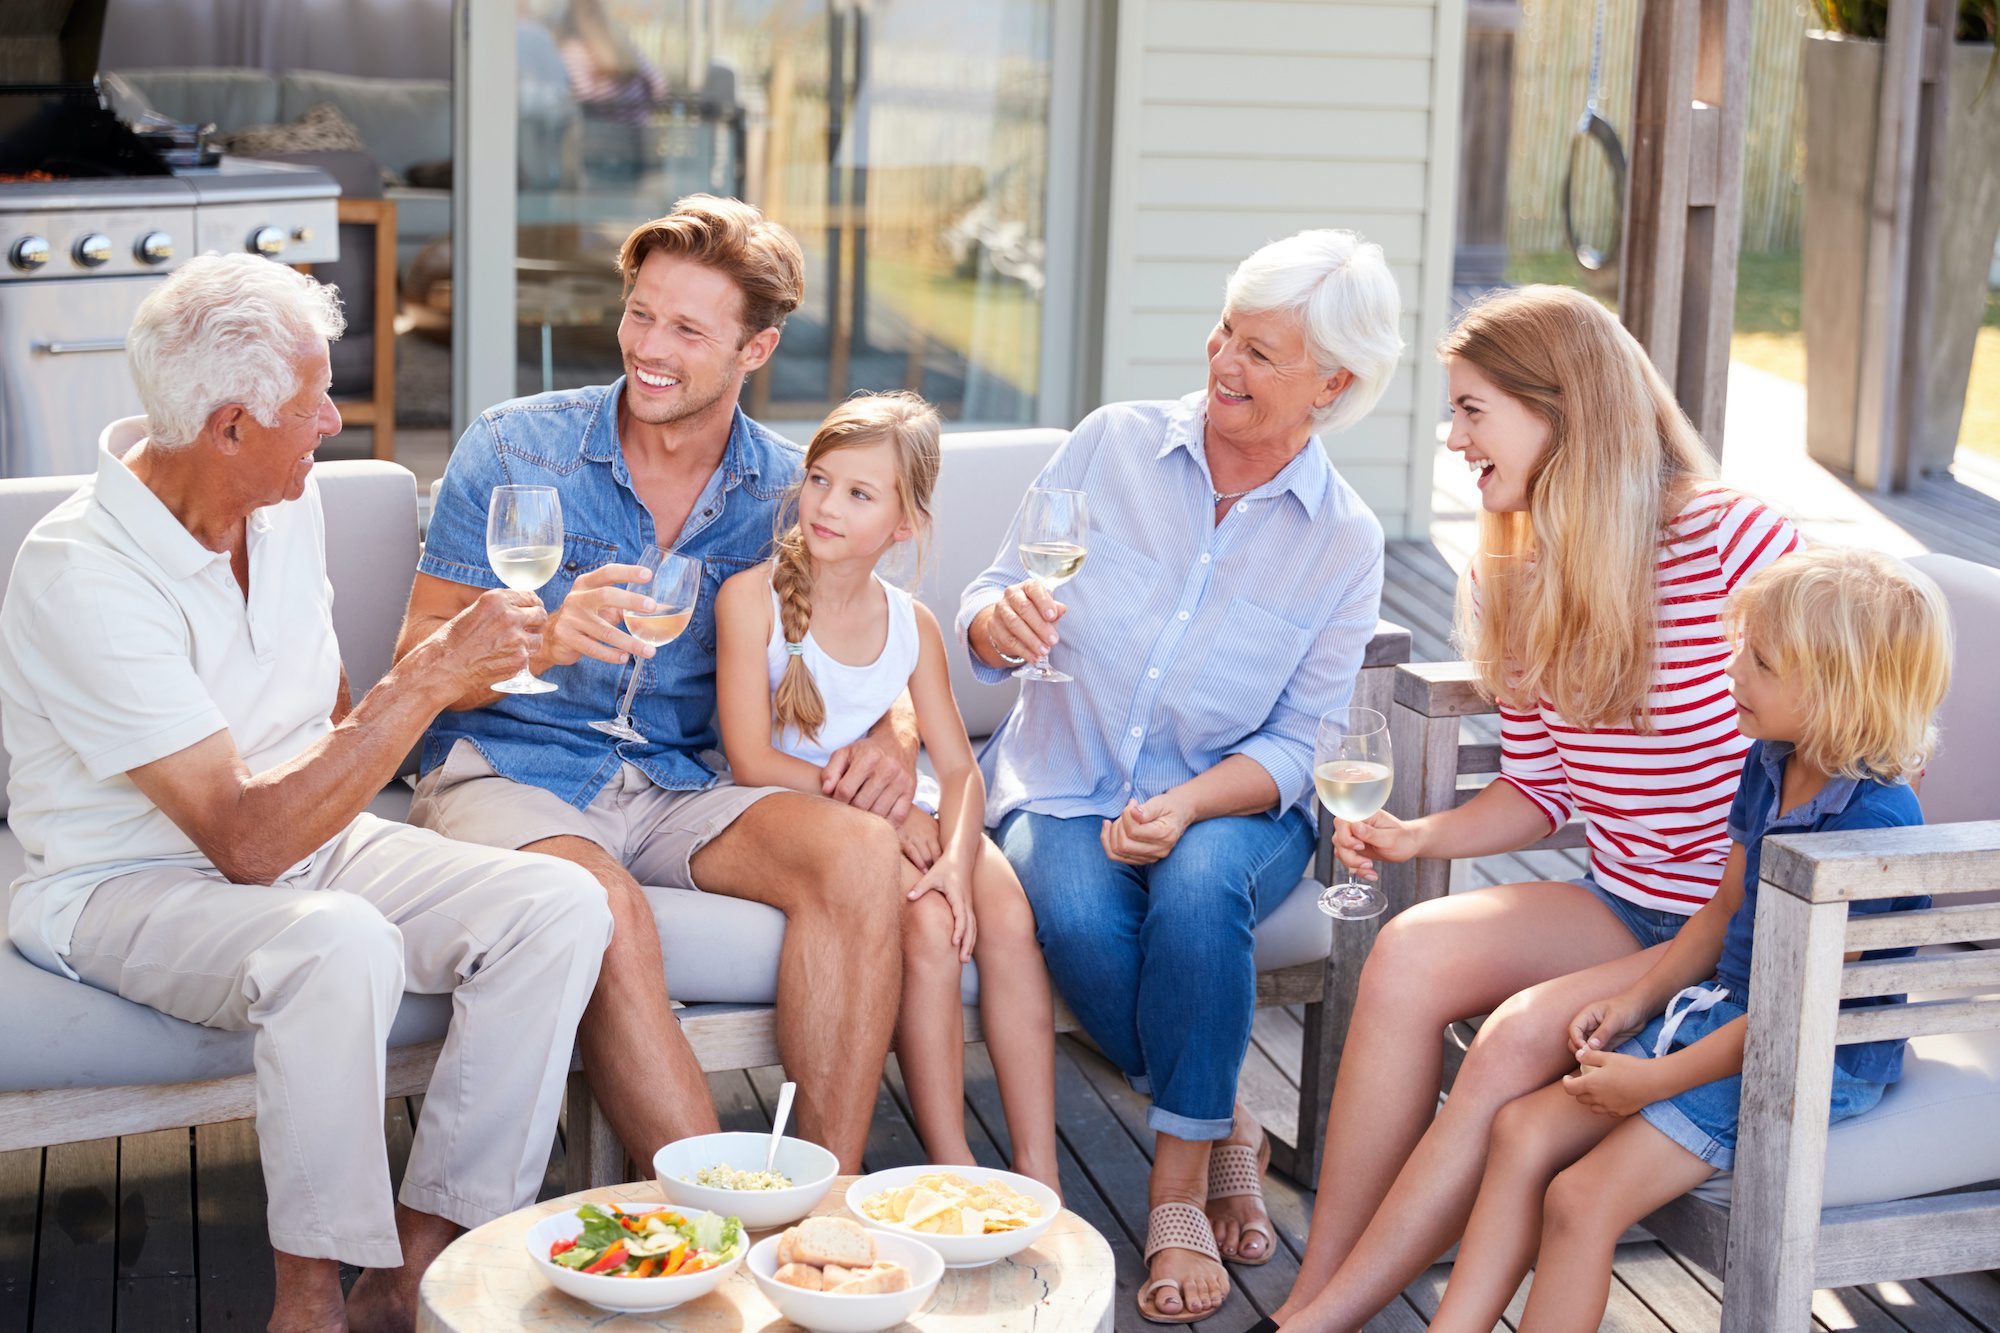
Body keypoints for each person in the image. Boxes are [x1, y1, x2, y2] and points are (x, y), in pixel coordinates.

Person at [0, 253, 612, 1332]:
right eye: (311, 399)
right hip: (126, 880)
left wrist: (376, 733)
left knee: (557, 906)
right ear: (227, 425)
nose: (335, 418)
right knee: (336, 942)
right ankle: (310, 1306)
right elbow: (240, 839)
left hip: (309, 839)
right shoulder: (80, 570)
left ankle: (414, 1280)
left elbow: (321, 712)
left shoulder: (290, 500)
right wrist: (428, 677)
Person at [1268, 285, 1804, 1332]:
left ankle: (1313, 1326)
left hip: (1736, 929)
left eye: (1472, 409)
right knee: (1413, 947)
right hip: (1627, 894)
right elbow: (1542, 788)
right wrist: (1418, 835)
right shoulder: (1519, 560)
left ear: (1561, 407)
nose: (1451, 435)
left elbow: (1833, 746)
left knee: (1515, 1035)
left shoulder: (1741, 542)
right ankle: (1310, 1291)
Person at [396, 195, 913, 1174]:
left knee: (857, 851)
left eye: (686, 328)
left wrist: (898, 723)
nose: (649, 346)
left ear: (754, 351)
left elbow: (873, 632)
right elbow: (412, 657)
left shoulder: (783, 492)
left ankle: (822, 1207)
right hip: (513, 768)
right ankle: (725, 1216)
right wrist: (541, 642)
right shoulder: (515, 448)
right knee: (603, 907)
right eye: (641, 313)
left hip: (685, 784)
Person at [960, 229, 1401, 1323]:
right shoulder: (1110, 444)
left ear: (1331, 384)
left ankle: (1170, 1200)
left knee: (1201, 885)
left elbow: (1302, 742)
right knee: (1066, 904)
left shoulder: (1342, 539)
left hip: (1234, 804)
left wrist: (1194, 800)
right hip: (1059, 777)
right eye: (1223, 331)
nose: (1222, 362)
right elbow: (987, 590)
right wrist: (991, 623)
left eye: (1258, 351)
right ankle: (1230, 1124)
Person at [1427, 546, 1951, 1332]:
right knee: (1520, 1127)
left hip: (1807, 1057)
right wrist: (1634, 1001)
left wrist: (1650, 1081)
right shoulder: (1773, 758)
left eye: (1762, 660)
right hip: (1725, 1015)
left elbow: (1794, 1020)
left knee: (1580, 1198)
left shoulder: (1873, 822)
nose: (1733, 670)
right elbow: (1722, 909)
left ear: (1838, 690)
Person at [713, 390, 1059, 1189]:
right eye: (821, 480)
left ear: (903, 525)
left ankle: (1041, 1171)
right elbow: (750, 760)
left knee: (1005, 917)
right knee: (934, 932)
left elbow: (960, 767)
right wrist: (889, 813)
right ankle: (955, 1165)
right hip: (814, 812)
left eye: (860, 493)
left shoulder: (911, 623)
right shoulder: (751, 601)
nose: (828, 505)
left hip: (909, 809)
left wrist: (957, 859)